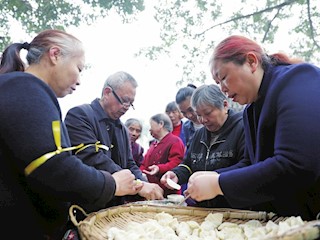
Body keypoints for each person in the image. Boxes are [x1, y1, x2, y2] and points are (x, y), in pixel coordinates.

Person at [0, 30, 142, 239]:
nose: (79, 79)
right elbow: (53, 165)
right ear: (55, 55)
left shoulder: (28, 91)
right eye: (79, 68)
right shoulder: (26, 89)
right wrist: (112, 184)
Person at [185, 35, 320, 220]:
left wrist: (218, 183)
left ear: (251, 61)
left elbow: (295, 165)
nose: (222, 89)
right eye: (218, 83)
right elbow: (250, 163)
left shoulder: (297, 80)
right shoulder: (251, 110)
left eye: (223, 77)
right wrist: (212, 176)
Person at [64, 71, 164, 211]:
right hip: (86, 206)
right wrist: (137, 185)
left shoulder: (122, 128)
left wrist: (143, 181)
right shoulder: (80, 116)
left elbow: (129, 163)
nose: (126, 107)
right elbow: (92, 158)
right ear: (107, 92)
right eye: (124, 100)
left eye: (131, 103)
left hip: (115, 207)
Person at [161, 84, 245, 207]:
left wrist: (214, 179)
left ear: (225, 105)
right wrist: (176, 174)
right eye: (199, 115)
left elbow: (247, 166)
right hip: (203, 209)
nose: (203, 120)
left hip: (235, 208)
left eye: (208, 113)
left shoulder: (242, 128)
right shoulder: (199, 135)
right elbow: (188, 164)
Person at [140, 113, 185, 197]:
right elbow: (144, 163)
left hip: (168, 193)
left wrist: (159, 168)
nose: (149, 130)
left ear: (161, 124)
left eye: (151, 126)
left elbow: (176, 163)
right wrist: (140, 174)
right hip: (152, 192)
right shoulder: (153, 144)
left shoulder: (175, 141)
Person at [175, 83, 203, 151]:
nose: (189, 115)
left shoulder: (211, 120)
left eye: (191, 109)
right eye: (183, 113)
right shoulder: (186, 127)